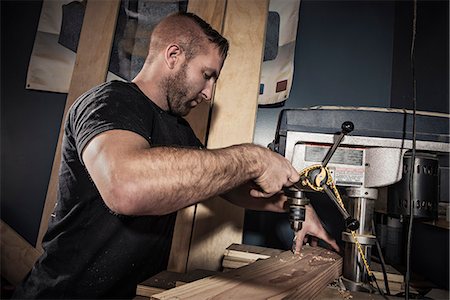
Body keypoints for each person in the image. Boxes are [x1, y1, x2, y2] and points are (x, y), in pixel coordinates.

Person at [13, 12, 338, 299]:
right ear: (173, 55)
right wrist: (253, 158)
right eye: (207, 75)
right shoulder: (108, 102)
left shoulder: (178, 131)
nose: (209, 93)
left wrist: (293, 205)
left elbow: (225, 186)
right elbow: (127, 187)